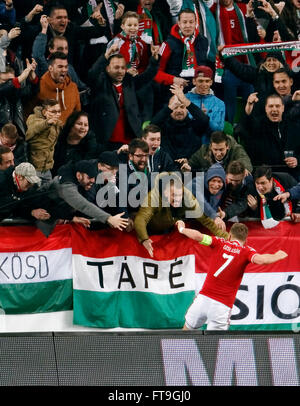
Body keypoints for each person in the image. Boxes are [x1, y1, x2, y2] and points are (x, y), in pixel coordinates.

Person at [177, 221, 288, 330]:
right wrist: (277, 255)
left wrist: (182, 229)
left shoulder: (220, 242)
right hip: (221, 306)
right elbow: (261, 260)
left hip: (203, 299)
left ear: (230, 235)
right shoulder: (246, 251)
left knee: (186, 334)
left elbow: (198, 236)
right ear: (246, 241)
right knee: (213, 344)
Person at [134, 171, 229, 257]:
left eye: (180, 195)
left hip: (169, 226)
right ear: (165, 193)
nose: (178, 199)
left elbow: (205, 219)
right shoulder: (153, 197)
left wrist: (227, 238)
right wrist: (144, 239)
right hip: (150, 228)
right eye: (174, 195)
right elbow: (140, 219)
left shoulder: (187, 195)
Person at [88, 39, 160, 151]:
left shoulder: (129, 82)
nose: (120, 71)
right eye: (116, 67)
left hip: (129, 138)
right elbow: (92, 73)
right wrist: (107, 55)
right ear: (107, 69)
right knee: (110, 167)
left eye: (123, 68)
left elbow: (147, 76)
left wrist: (154, 59)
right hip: (107, 139)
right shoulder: (101, 83)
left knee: (124, 168)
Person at [53, 159, 129, 231]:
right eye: (89, 177)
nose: (92, 180)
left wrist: (72, 218)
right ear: (79, 175)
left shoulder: (83, 181)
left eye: (93, 178)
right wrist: (109, 218)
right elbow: (83, 205)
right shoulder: (67, 186)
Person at [240, 93, 300, 180]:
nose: (274, 109)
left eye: (277, 106)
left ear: (283, 108)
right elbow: (244, 127)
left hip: (291, 175)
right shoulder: (258, 126)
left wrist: (297, 160)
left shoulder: (294, 127)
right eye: (271, 106)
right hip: (265, 176)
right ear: (266, 108)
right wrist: (249, 105)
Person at [151, 83, 209, 161]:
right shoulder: (163, 126)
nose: (179, 110)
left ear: (187, 109)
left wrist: (184, 100)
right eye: (175, 107)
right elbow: (152, 125)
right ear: (169, 109)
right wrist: (171, 107)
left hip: (191, 166)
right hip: (168, 167)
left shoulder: (195, 125)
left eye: (182, 107)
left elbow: (204, 120)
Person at [36, 51, 81, 124]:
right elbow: (30, 114)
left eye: (66, 67)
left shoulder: (73, 87)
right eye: (60, 67)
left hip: (67, 134)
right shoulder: (39, 86)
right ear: (50, 68)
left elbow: (77, 114)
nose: (64, 70)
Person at [180, 130, 253, 173]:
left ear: (227, 146)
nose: (218, 154)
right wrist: (187, 166)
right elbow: (191, 164)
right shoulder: (203, 151)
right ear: (211, 146)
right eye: (215, 150)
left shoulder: (235, 149)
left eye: (221, 149)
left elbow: (244, 161)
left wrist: (244, 169)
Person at [186, 65, 225, 144]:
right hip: (187, 144)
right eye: (200, 81)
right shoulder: (184, 99)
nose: (204, 84)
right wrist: (198, 115)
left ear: (211, 82)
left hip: (208, 145)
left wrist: (206, 118)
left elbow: (218, 130)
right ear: (194, 81)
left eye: (207, 81)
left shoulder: (219, 103)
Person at [26, 98, 62, 184]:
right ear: (45, 112)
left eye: (59, 111)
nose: (57, 114)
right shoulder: (33, 118)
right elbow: (34, 128)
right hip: (34, 169)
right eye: (53, 112)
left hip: (47, 169)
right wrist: (47, 123)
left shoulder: (57, 123)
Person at [52, 110, 97, 176]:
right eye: (79, 124)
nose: (83, 128)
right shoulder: (58, 140)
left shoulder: (90, 145)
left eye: (86, 125)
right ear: (71, 125)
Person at [0, 59, 38, 135]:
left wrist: (32, 75)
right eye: (5, 81)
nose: (10, 84)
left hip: (18, 138)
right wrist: (19, 78)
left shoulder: (17, 94)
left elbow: (33, 91)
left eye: (11, 80)